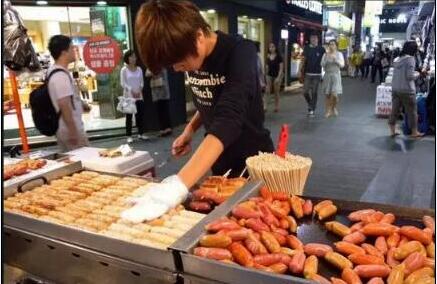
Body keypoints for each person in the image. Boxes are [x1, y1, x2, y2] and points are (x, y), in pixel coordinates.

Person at [135, 0, 274, 194]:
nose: (176, 69)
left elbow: (229, 116)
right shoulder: (192, 54)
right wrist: (190, 129)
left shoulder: (241, 52)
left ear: (198, 36)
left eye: (180, 62)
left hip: (253, 159)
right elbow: (211, 100)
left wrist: (177, 187)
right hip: (218, 159)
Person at [47, 35, 88, 152]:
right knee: (84, 163)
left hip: (65, 129)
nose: (74, 50)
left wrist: (80, 104)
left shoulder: (56, 71)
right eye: (71, 48)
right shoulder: (60, 76)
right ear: (64, 52)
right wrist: (73, 132)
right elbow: (64, 104)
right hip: (70, 130)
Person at [388, 41, 424, 138]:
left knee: (394, 110)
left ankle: (392, 130)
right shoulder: (410, 59)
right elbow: (409, 76)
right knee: (412, 112)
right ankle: (414, 132)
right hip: (407, 90)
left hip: (395, 88)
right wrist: (418, 74)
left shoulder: (397, 59)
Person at [120, 50, 148, 143]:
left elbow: (142, 82)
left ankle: (141, 133)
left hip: (139, 95)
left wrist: (139, 90)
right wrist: (131, 90)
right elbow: (123, 83)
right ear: (127, 58)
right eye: (131, 57)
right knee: (129, 116)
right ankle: (129, 135)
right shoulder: (124, 70)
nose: (134, 58)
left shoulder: (139, 69)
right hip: (128, 96)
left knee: (140, 115)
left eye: (134, 57)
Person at [300, 34, 325, 117]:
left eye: (315, 38)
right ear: (310, 39)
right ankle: (311, 104)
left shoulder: (321, 49)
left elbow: (325, 60)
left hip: (317, 74)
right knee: (305, 92)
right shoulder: (307, 48)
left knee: (314, 92)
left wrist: (325, 73)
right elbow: (303, 59)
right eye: (312, 38)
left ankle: (311, 109)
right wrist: (299, 70)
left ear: (318, 39)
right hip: (308, 73)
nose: (314, 40)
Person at [321, 39, 344, 118]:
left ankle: (333, 107)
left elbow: (342, 65)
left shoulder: (339, 54)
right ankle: (328, 110)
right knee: (327, 94)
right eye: (330, 44)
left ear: (336, 46)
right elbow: (322, 64)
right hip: (327, 75)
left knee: (334, 95)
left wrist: (336, 60)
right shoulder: (325, 54)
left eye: (333, 44)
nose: (331, 46)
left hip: (336, 75)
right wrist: (326, 61)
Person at [146, 68, 172, 136]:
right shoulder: (150, 64)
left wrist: (153, 72)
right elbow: (147, 74)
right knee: (159, 110)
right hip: (155, 89)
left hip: (163, 87)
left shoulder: (161, 63)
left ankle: (168, 128)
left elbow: (160, 70)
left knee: (165, 108)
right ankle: (162, 129)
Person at [265, 42, 283, 112]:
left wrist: (278, 77)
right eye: (270, 47)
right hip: (269, 75)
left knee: (276, 92)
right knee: (267, 91)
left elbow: (281, 68)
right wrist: (265, 74)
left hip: (277, 75)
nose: (271, 48)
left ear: (275, 48)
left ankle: (276, 106)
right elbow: (267, 66)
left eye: (273, 47)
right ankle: (265, 106)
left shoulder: (279, 56)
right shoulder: (268, 56)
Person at [254, 41, 267, 111]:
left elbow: (261, 71)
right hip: (254, 81)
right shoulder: (253, 57)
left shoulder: (257, 57)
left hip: (258, 81)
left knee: (260, 95)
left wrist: (263, 82)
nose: (260, 48)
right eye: (259, 47)